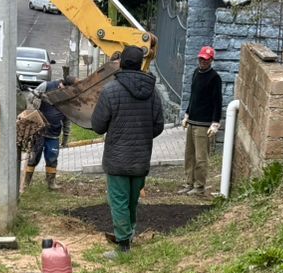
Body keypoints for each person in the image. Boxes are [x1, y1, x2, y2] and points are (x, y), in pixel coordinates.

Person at [88, 46, 163, 255]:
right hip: (141, 158)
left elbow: (98, 125)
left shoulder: (111, 90)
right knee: (131, 200)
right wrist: (142, 137)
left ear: (120, 64)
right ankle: (128, 236)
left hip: (117, 157)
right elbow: (159, 125)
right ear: (140, 65)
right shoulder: (152, 92)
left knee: (119, 201)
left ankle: (123, 246)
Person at [181, 45, 223, 195]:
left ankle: (199, 186)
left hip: (204, 124)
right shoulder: (195, 73)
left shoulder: (214, 78)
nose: (203, 61)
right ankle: (188, 183)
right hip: (192, 121)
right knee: (189, 155)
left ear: (211, 60)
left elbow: (217, 101)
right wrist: (187, 114)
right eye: (201, 59)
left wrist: (215, 123)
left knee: (200, 157)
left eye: (206, 59)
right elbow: (192, 97)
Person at [23, 70, 74, 191]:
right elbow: (30, 97)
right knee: (33, 156)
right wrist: (39, 99)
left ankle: (51, 183)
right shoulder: (47, 86)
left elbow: (67, 119)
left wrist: (65, 139)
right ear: (61, 84)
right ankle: (26, 182)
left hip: (54, 133)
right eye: (63, 89)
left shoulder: (68, 98)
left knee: (52, 157)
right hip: (39, 130)